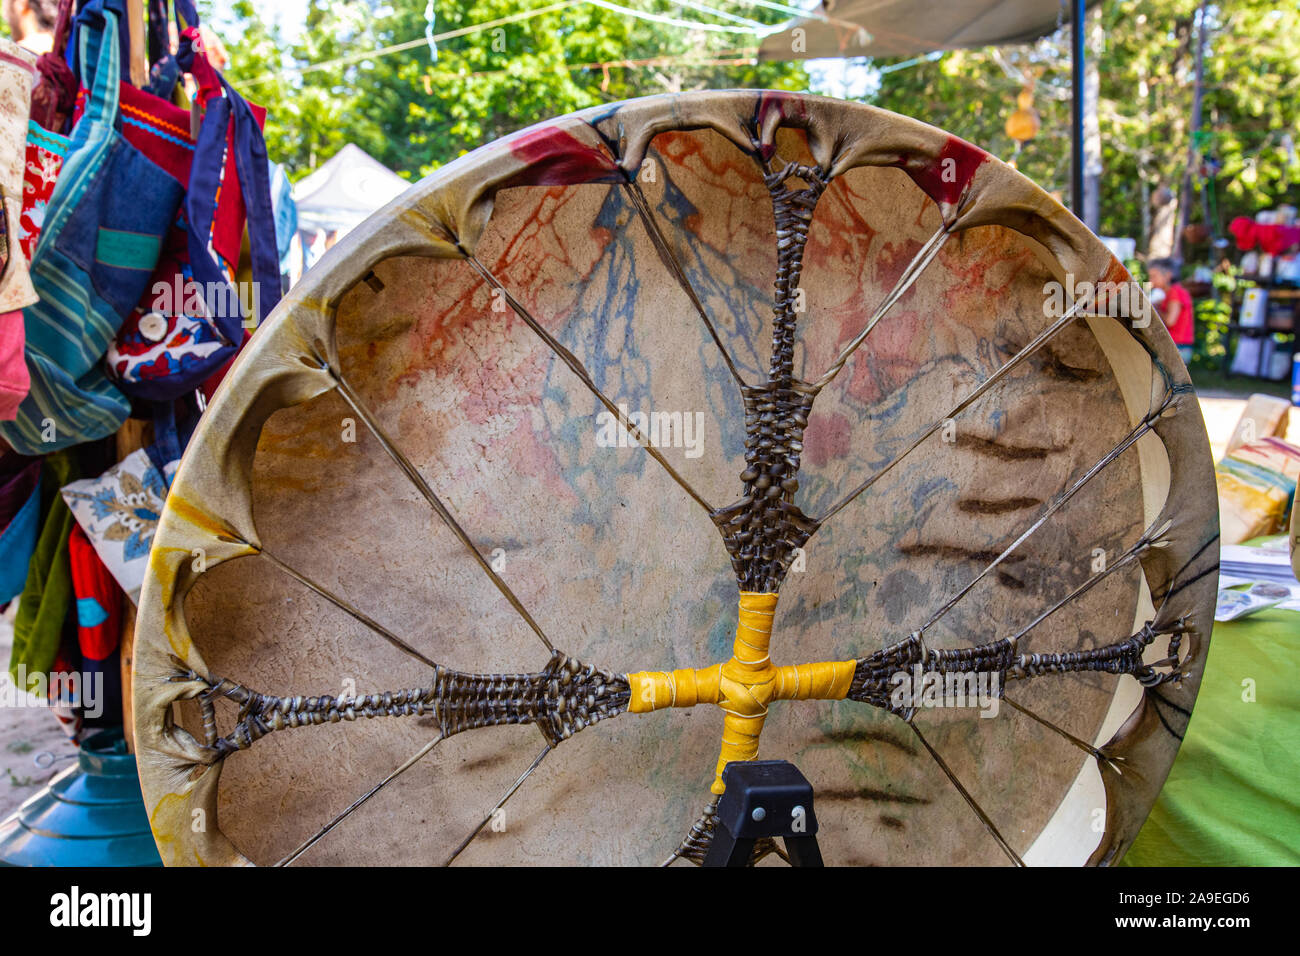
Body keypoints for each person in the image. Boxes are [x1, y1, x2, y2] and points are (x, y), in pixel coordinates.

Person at [1149, 257, 1194, 365]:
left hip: (1178, 348)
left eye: (1154, 276)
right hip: (1175, 346)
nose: (1151, 280)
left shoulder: (1175, 292)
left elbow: (1170, 321)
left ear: (1168, 275)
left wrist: (1155, 308)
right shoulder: (1169, 293)